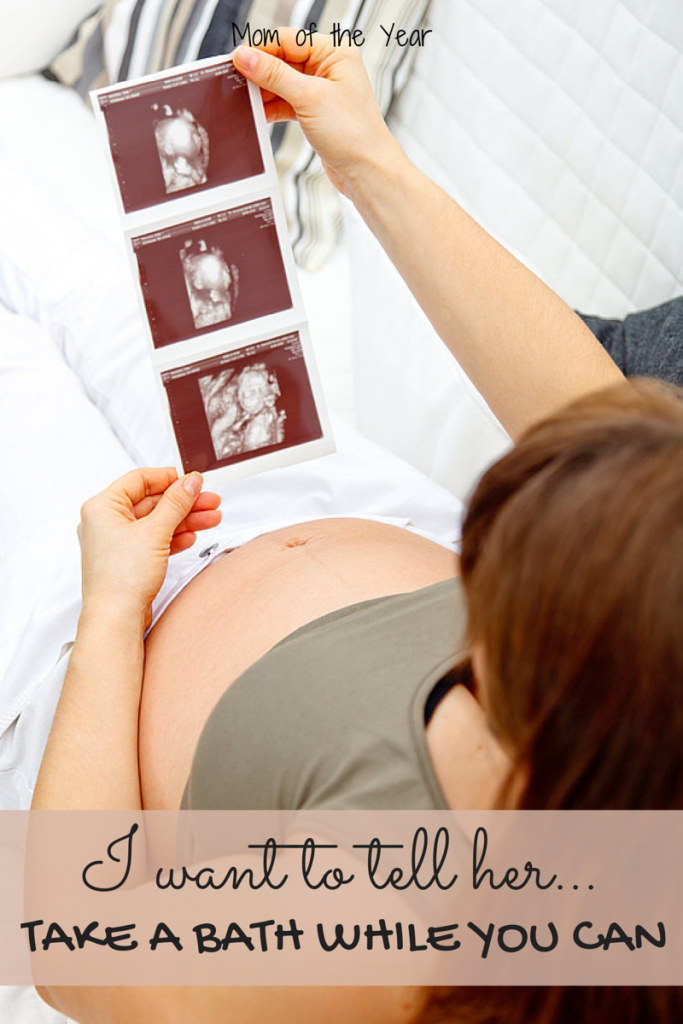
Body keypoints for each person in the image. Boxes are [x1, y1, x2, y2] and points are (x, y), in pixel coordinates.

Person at [9, 28, 680, 1024]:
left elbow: (72, 940)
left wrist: (112, 608)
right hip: (299, 486)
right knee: (72, 246)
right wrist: (366, 158)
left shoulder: (432, 922)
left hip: (102, 658)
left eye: (488, 597)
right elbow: (603, 433)